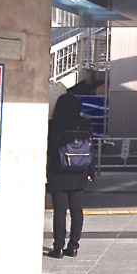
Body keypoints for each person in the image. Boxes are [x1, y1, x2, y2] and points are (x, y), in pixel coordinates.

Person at [46, 94, 94, 259]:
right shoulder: (84, 124)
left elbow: (49, 150)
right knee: (76, 210)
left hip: (58, 172)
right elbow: (90, 149)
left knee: (60, 211)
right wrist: (90, 171)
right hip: (79, 172)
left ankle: (58, 248)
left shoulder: (53, 124)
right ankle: (73, 247)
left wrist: (46, 172)